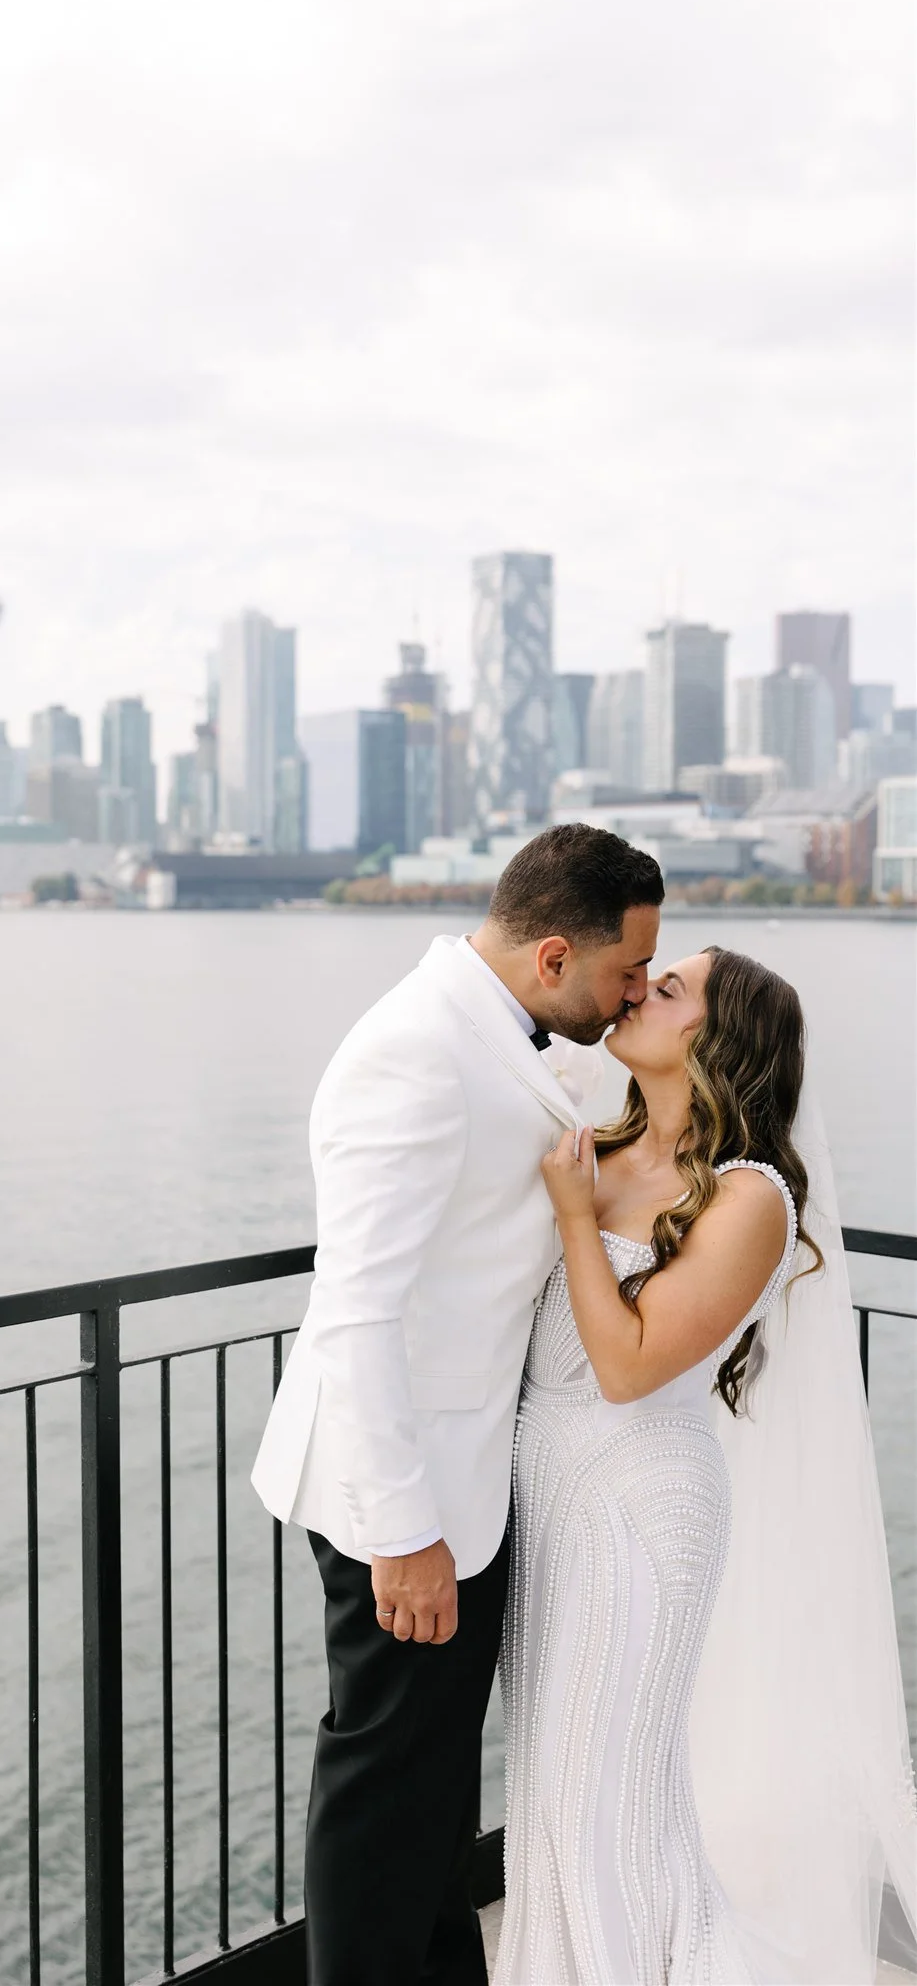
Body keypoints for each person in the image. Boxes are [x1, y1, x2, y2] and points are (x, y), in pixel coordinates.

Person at [251, 823, 665, 1984]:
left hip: (469, 1481)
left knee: (436, 1786)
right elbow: (356, 1314)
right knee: (383, 1785)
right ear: (549, 954)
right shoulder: (416, 1051)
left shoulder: (509, 1034)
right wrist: (403, 1534)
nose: (632, 989)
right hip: (406, 1499)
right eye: (622, 969)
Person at [498, 946, 917, 1985]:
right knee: (552, 1789)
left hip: (641, 1510)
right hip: (547, 1491)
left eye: (670, 986)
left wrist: (570, 1215)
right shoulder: (597, 1143)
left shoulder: (750, 1197)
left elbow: (631, 1366)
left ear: (716, 1040)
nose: (638, 988)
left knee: (612, 1798)